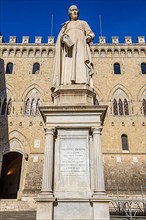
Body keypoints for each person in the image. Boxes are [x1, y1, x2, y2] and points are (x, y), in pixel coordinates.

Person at [52, 5, 95, 89]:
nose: (74, 12)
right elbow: (60, 36)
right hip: (69, 50)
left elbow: (91, 33)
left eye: (76, 10)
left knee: (81, 63)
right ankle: (67, 82)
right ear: (69, 13)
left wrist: (89, 37)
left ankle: (82, 81)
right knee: (69, 65)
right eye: (72, 10)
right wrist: (63, 38)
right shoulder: (66, 25)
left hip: (81, 47)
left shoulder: (83, 23)